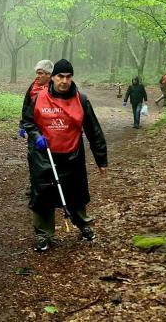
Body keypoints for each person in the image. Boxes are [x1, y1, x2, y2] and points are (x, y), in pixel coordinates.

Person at [21, 59, 108, 252]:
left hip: (72, 155)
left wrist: (101, 159)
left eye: (68, 77)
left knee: (75, 193)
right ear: (52, 78)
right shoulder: (38, 98)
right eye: (60, 76)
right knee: (42, 195)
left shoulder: (81, 100)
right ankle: (43, 234)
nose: (64, 81)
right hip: (44, 156)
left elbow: (94, 130)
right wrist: (36, 136)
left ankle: (83, 224)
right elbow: (27, 121)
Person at [19, 60, 54, 138]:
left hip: (50, 130)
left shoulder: (55, 88)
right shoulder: (33, 86)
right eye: (37, 73)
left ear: (49, 74)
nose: (37, 76)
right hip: (33, 128)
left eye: (40, 73)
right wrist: (23, 124)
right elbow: (26, 106)